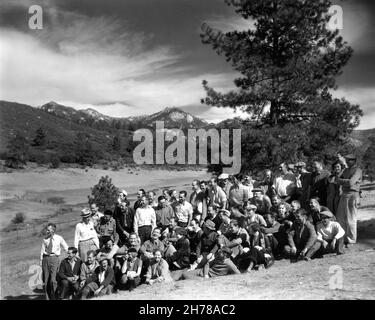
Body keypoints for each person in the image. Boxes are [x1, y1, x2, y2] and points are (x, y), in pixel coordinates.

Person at [335, 154, 363, 246]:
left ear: (354, 160)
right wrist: (344, 178)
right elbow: (336, 179)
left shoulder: (358, 170)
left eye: (349, 160)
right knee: (341, 218)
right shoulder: (346, 170)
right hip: (344, 194)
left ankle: (351, 239)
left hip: (353, 195)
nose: (347, 162)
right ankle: (343, 238)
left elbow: (351, 182)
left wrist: (342, 181)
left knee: (351, 218)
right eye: (346, 160)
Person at [40, 222, 69, 300]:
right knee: (46, 281)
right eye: (47, 230)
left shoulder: (59, 238)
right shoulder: (45, 239)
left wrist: (70, 254)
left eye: (49, 230)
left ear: (53, 230)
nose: (47, 231)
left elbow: (66, 247)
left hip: (55, 259)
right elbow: (42, 251)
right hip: (46, 259)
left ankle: (56, 296)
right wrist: (41, 261)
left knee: (53, 280)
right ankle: (48, 298)